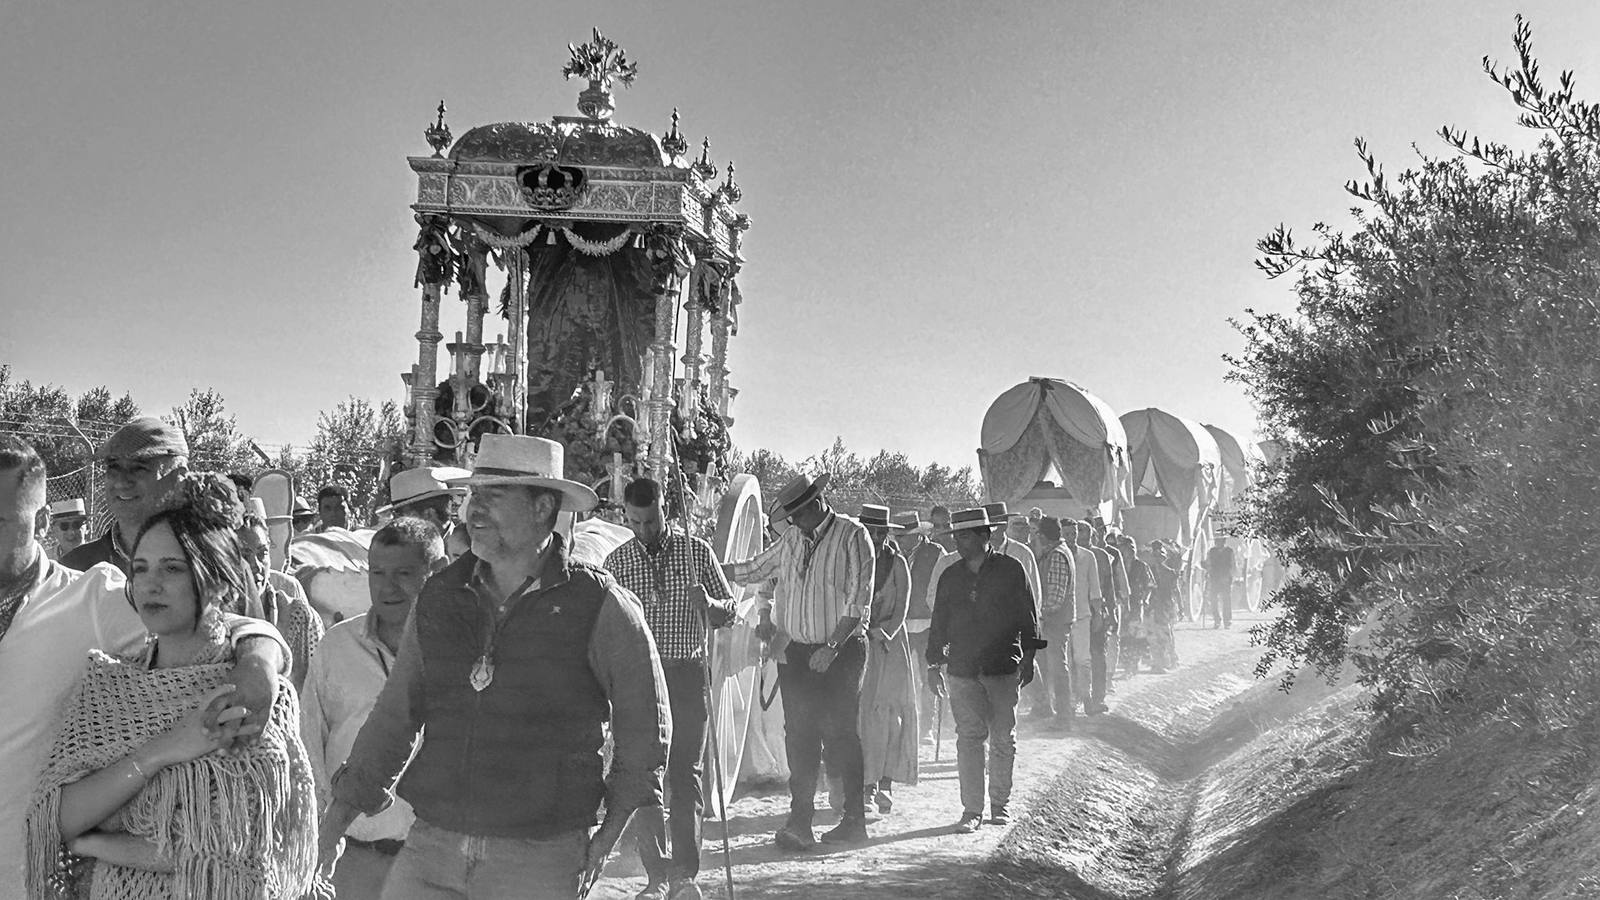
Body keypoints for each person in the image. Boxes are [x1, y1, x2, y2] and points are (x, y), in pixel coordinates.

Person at [319, 434, 669, 900]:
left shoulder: (600, 606)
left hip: (540, 857)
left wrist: (607, 838)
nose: (473, 511)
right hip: (432, 846)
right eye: (473, 496)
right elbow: (395, 717)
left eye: (493, 496)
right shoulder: (439, 597)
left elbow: (645, 729)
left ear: (543, 507)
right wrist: (335, 824)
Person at [0, 441, 289, 898]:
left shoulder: (89, 600)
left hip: (25, 879)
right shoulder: (110, 683)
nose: (152, 580)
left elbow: (203, 619)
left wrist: (258, 657)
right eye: (142, 567)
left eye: (0, 520)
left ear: (40, 523)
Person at [723, 472, 874, 850]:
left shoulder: (853, 535)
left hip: (841, 649)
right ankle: (800, 821)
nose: (794, 521)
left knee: (840, 735)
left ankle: (854, 819)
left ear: (815, 505)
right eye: (790, 516)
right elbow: (758, 570)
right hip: (797, 651)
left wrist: (833, 646)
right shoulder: (791, 538)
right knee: (799, 736)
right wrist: (715, 568)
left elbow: (859, 600)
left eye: (797, 513)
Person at [302, 517, 446, 900]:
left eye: (404, 573)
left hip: (436, 860)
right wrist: (322, 833)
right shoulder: (337, 646)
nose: (387, 586)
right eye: (377, 572)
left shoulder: (460, 651)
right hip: (352, 856)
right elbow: (310, 743)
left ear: (438, 572)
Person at [606, 476, 735, 900]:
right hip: (641, 680)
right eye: (636, 522)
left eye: (652, 520)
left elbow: (729, 610)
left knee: (685, 775)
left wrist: (711, 605)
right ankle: (656, 876)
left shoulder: (696, 553)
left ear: (666, 510)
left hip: (686, 674)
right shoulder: (617, 563)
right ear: (627, 517)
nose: (645, 530)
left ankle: (685, 875)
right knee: (648, 776)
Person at [926, 507, 1041, 833]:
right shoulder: (950, 575)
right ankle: (971, 810)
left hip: (1002, 666)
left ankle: (999, 805)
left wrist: (1030, 657)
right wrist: (933, 663)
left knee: (1003, 738)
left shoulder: (1011, 570)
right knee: (969, 738)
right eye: (956, 536)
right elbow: (939, 624)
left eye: (964, 536)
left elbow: (1028, 618)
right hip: (962, 669)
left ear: (983, 536)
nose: (959, 542)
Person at [61, 417, 190, 574]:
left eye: (139, 468)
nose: (121, 482)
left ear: (178, 479)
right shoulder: (76, 569)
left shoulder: (208, 564)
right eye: (114, 467)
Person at [855, 504, 917, 816]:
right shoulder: (854, 559)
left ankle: (886, 783)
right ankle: (864, 785)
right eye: (871, 531)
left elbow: (903, 604)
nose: (877, 537)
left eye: (881, 532)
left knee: (890, 716)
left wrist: (885, 631)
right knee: (863, 716)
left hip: (889, 647)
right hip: (858, 643)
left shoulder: (898, 563)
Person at [239, 504, 325, 691]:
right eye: (243, 555)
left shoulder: (299, 616)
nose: (255, 565)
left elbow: (319, 689)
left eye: (262, 553)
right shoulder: (212, 622)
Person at [894, 510, 946, 742]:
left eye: (902, 536)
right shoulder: (894, 553)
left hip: (928, 625)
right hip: (900, 625)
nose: (898, 539)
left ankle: (926, 727)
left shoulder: (936, 554)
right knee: (901, 679)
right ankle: (904, 726)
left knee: (929, 678)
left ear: (916, 535)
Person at [1027, 517, 1076, 726]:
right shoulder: (1057, 552)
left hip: (1054, 622)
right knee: (1048, 666)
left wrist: (1039, 615)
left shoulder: (1056, 555)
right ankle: (1048, 708)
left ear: (1043, 536)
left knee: (1057, 667)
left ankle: (1064, 715)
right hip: (1053, 621)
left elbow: (1055, 597)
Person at [1063, 521, 1106, 715]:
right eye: (1067, 534)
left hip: (1082, 614)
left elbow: (1095, 589)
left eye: (1074, 533)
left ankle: (1086, 698)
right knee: (1065, 661)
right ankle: (1069, 703)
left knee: (1082, 659)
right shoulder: (1056, 556)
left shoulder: (1087, 556)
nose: (1072, 537)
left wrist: (1098, 615)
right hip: (1060, 617)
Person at [376, 465, 469, 546]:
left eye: (400, 515)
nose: (397, 522)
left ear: (428, 514)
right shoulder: (404, 548)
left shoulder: (468, 546)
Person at [981, 502, 1041, 615]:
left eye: (996, 524)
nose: (992, 529)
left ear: (1005, 524)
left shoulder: (1022, 553)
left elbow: (1034, 593)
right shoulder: (977, 553)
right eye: (988, 525)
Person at [1118, 535, 1153, 678]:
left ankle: (1132, 666)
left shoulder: (1141, 566)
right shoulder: (1118, 565)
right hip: (1122, 605)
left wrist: (1145, 599)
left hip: (1136, 605)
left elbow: (1149, 585)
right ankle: (1127, 664)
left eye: (1131, 548)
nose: (1129, 551)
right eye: (1126, 548)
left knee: (1133, 635)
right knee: (1123, 636)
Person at [1148, 541, 1181, 672]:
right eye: (1155, 556)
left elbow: (1176, 590)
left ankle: (1168, 660)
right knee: (1153, 634)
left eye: (1160, 556)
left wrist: (1180, 606)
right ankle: (1158, 662)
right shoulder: (1148, 570)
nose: (1157, 559)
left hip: (1165, 605)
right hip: (1152, 606)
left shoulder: (1170, 573)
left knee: (1165, 633)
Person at [1203, 535, 1237, 629]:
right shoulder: (1211, 551)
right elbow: (1209, 563)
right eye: (1217, 540)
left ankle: (1227, 621)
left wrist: (1231, 577)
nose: (1218, 542)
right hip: (1215, 578)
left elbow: (1233, 564)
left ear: (1224, 541)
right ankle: (1217, 619)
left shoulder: (1229, 551)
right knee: (1213, 599)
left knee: (1226, 600)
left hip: (1226, 578)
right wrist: (1206, 567)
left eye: (1220, 540)